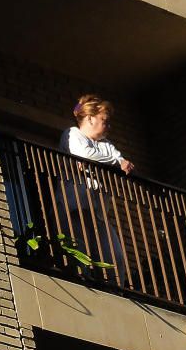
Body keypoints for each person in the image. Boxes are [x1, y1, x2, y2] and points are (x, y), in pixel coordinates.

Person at [56, 94, 134, 275]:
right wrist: (114, 162)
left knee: (116, 257)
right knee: (79, 250)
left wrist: (115, 162)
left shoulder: (106, 144)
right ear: (90, 119)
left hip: (98, 211)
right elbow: (84, 153)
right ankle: (83, 281)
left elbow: (122, 162)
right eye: (104, 121)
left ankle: (114, 290)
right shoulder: (73, 133)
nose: (108, 126)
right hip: (74, 205)